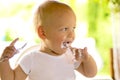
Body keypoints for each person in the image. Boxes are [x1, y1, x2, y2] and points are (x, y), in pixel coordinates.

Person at [0, 1, 97, 80]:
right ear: (43, 33)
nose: (72, 34)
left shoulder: (70, 56)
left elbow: (90, 73)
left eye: (73, 28)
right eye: (64, 29)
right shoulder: (31, 59)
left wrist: (87, 59)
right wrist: (4, 60)